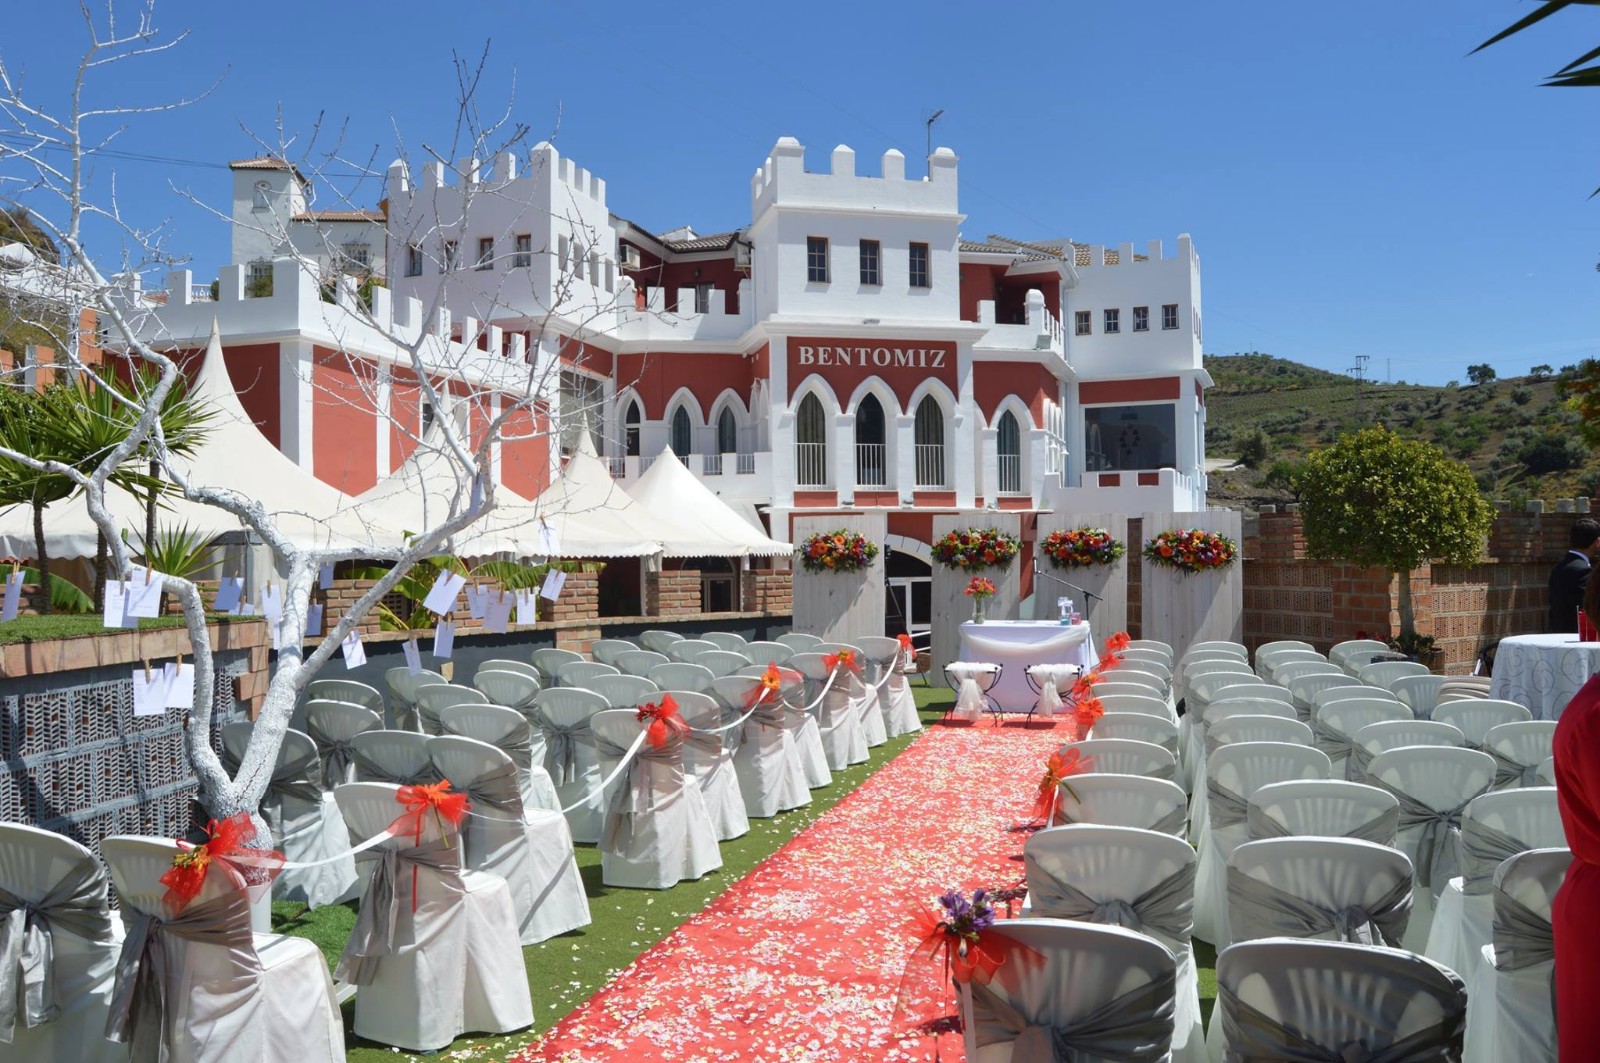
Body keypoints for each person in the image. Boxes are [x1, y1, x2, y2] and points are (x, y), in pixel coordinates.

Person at [1548, 518, 1600, 634]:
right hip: (1578, 636)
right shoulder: (1584, 570)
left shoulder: (1558, 568)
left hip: (1556, 634)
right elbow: (1587, 607)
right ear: (1597, 542)